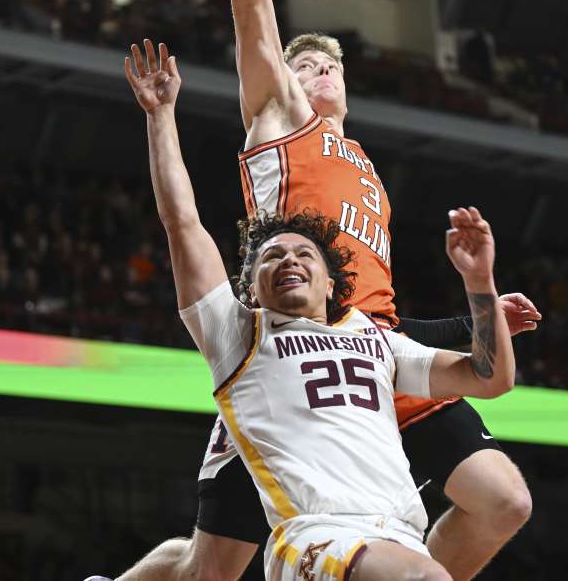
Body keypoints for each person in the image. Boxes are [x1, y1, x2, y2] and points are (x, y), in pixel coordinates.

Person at [123, 40, 515, 581]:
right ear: (251, 286)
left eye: (304, 253)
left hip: (396, 532)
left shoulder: (375, 339)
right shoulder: (238, 334)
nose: (288, 260)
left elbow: (491, 378)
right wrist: (161, 116)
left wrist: (479, 283)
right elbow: (182, 221)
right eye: (272, 256)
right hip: (319, 536)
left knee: (207, 571)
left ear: (334, 283)